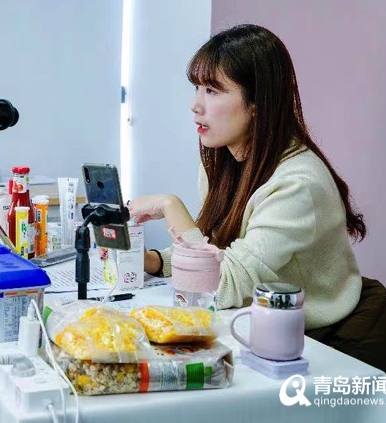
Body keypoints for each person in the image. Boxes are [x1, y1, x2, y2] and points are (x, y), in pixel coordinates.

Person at [131, 24, 365, 330]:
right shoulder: (223, 161)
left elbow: (221, 285)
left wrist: (169, 205)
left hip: (319, 336)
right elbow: (218, 251)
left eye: (212, 91)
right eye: (197, 88)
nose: (195, 105)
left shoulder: (297, 184)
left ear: (256, 103)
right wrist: (155, 261)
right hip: (263, 321)